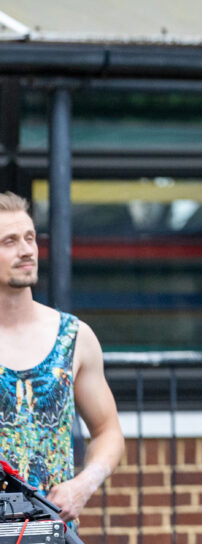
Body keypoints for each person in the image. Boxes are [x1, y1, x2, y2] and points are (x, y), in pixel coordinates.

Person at [0, 192, 124, 522]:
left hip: (52, 533)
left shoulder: (73, 337)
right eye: (9, 241)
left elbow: (108, 431)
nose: (26, 250)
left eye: (29, 237)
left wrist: (83, 485)